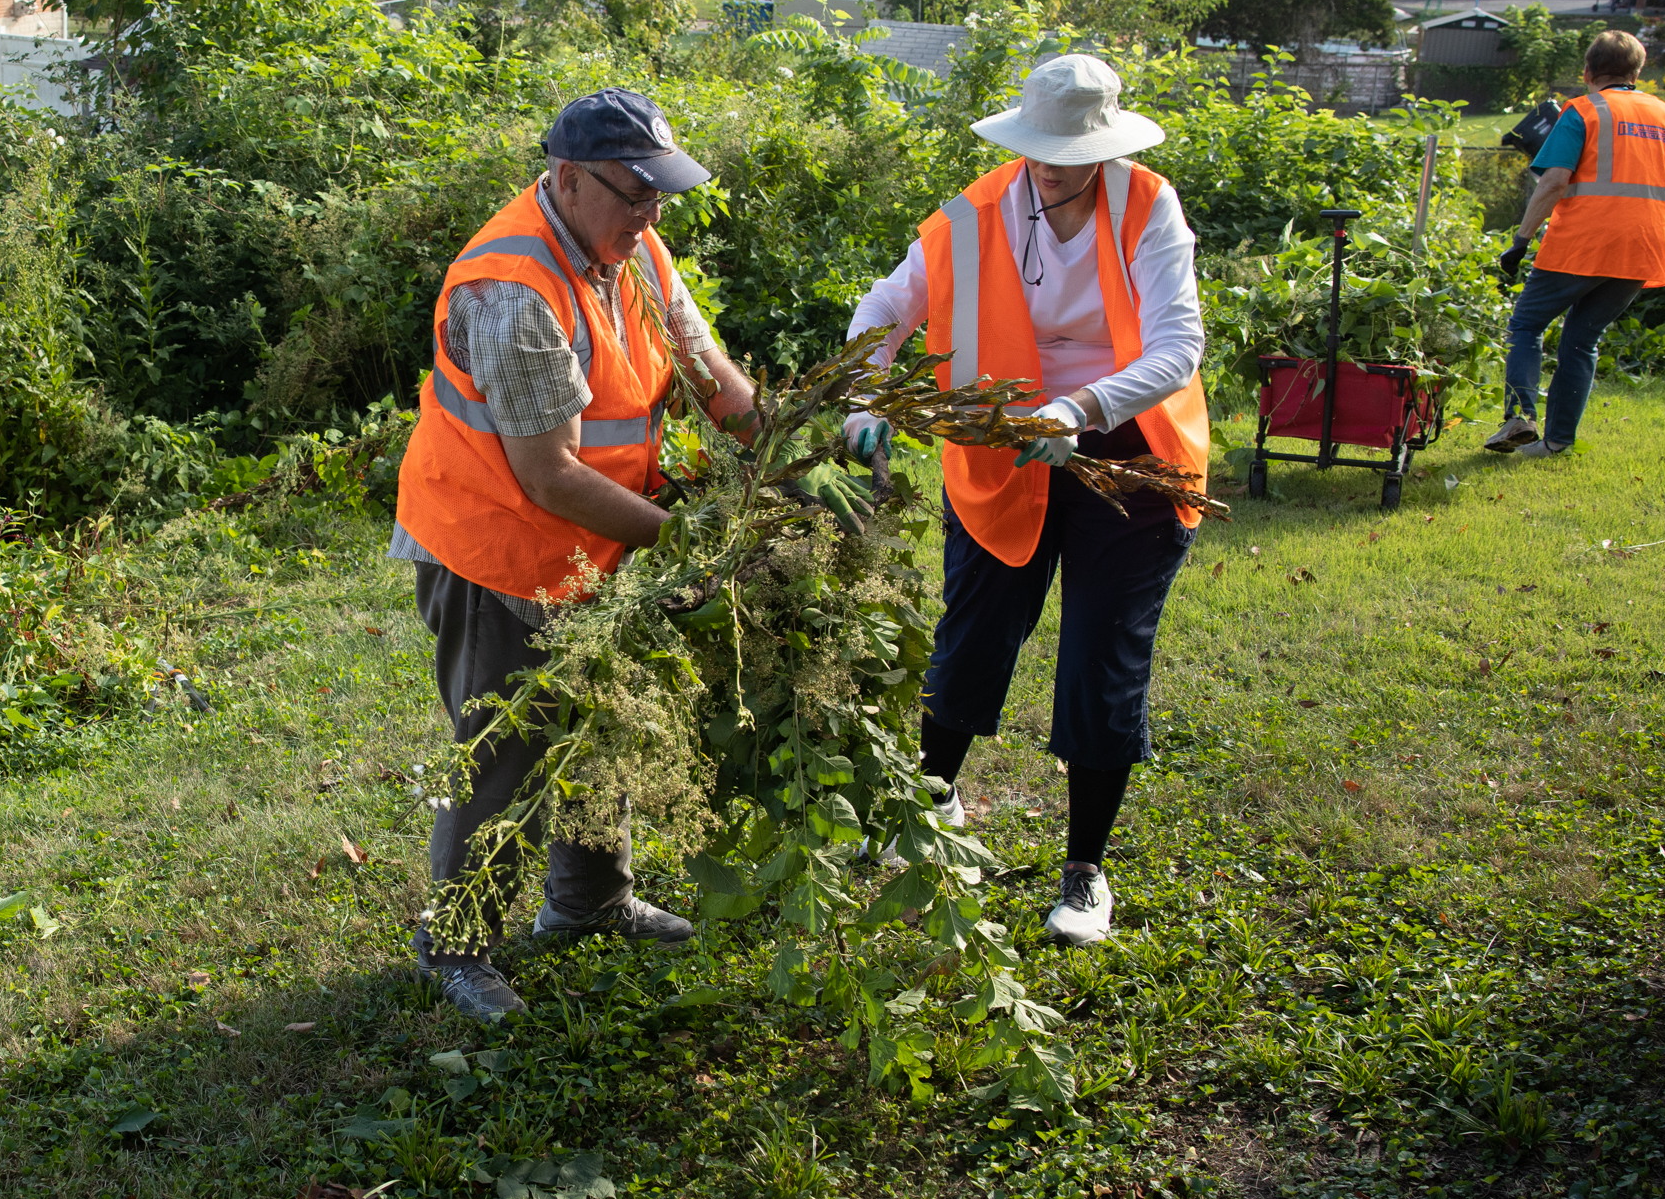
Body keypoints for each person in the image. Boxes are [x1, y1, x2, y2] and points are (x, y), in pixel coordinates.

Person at [389, 88, 760, 1020]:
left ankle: (589, 903)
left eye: (658, 196)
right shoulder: (513, 290)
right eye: (634, 194)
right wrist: (685, 541)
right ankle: (457, 950)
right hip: (494, 548)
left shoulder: (629, 245)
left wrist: (788, 445)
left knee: (602, 720)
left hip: (598, 541)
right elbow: (550, 476)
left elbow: (705, 366)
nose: (651, 214)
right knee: (502, 750)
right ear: (566, 178)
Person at [841, 53, 1208, 947]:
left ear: (1105, 147)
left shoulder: (1146, 205)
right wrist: (863, 395)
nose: (1049, 167)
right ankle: (930, 812)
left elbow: (1179, 343)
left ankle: (1085, 872)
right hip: (1004, 452)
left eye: (1068, 152)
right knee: (970, 638)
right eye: (1037, 149)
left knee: (1100, 659)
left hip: (1129, 456)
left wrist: (1080, 408)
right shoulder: (974, 216)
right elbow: (886, 309)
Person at [1487, 30, 1665, 459]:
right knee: (1582, 341)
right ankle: (1557, 442)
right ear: (1637, 71)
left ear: (1587, 71)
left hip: (1584, 241)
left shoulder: (1583, 110)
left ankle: (1521, 416)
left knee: (1526, 325)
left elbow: (1554, 181)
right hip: (1645, 245)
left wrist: (1521, 241)